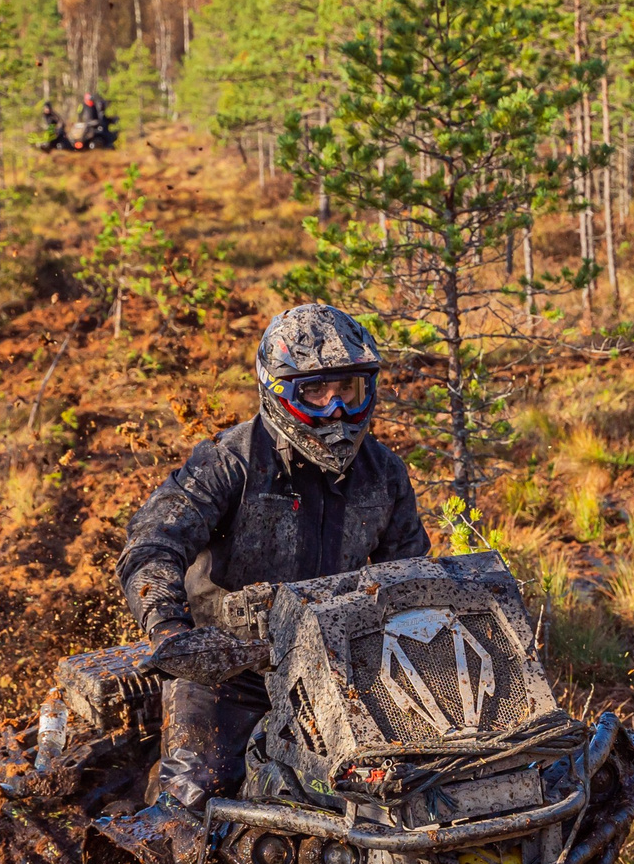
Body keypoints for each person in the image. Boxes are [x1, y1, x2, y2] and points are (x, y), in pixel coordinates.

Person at [116, 304, 428, 821]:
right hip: (226, 667)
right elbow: (152, 543)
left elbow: (410, 580)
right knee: (191, 795)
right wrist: (169, 629)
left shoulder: (384, 474)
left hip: (344, 671)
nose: (335, 410)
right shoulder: (229, 461)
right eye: (315, 392)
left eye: (346, 390)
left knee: (420, 786)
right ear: (278, 390)